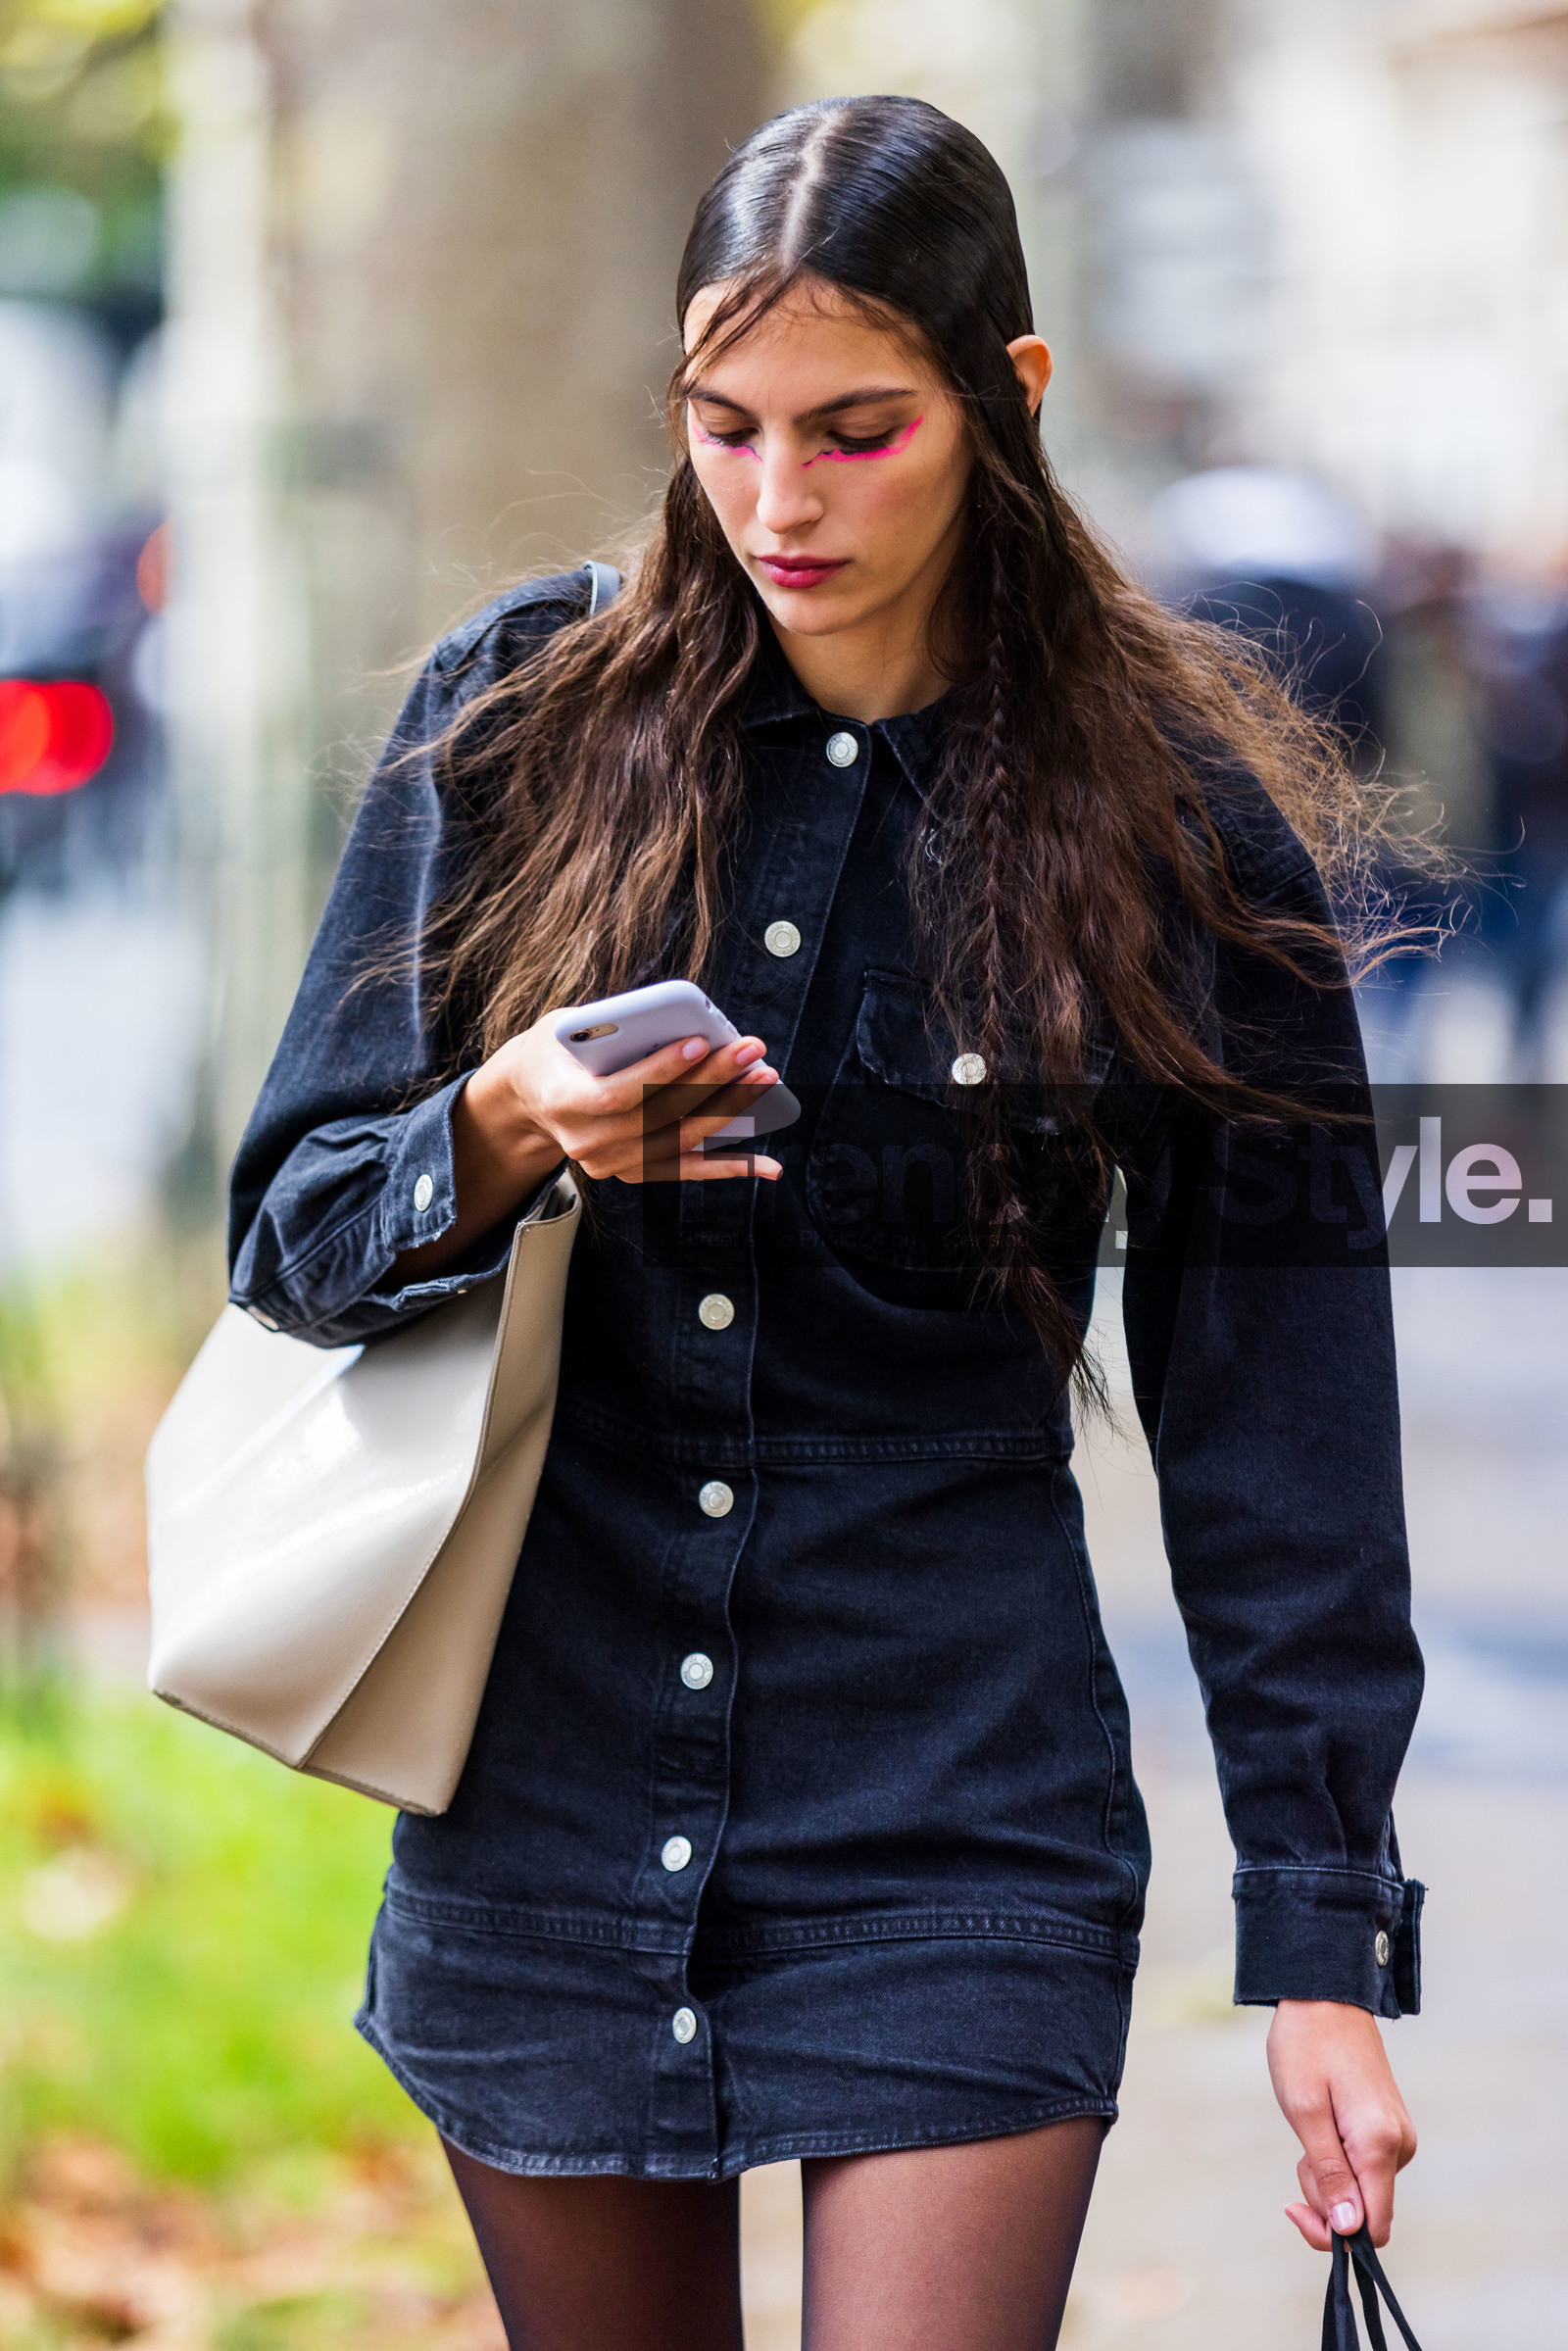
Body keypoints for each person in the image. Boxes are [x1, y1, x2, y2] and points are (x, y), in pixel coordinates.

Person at [228, 95, 1423, 2351]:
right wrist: (496, 1130)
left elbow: (1281, 1429)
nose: (779, 500)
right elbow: (291, 1233)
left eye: (856, 430)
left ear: (1007, 395)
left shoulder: (1165, 826)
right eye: (725, 426)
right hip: (546, 1812)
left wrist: (1323, 1949)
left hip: (954, 1814)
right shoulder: (517, 725)